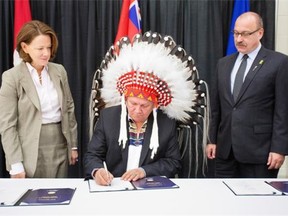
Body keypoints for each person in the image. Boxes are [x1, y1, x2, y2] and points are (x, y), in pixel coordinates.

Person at [84, 31, 206, 185]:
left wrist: (144, 171)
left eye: (144, 105)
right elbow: (92, 156)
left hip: (148, 186)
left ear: (155, 105)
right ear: (125, 99)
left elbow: (173, 163)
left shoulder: (166, 123)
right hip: (114, 185)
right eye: (133, 104)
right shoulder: (108, 118)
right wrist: (97, 171)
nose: (137, 110)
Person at [206, 12, 288, 178]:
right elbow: (216, 108)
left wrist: (279, 148)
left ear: (260, 33)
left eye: (245, 34)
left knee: (257, 202)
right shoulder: (223, 64)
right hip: (225, 151)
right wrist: (212, 139)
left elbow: (283, 110)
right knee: (225, 199)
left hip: (260, 153)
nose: (239, 39)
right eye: (236, 33)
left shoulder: (279, 63)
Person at [0, 20, 78, 178]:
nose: (46, 53)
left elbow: (68, 108)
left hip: (60, 143)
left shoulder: (59, 71)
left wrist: (73, 145)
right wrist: (15, 164)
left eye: (48, 47)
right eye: (40, 48)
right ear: (25, 47)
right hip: (29, 148)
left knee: (59, 195)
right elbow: (8, 124)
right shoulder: (11, 77)